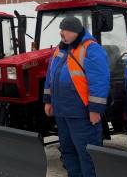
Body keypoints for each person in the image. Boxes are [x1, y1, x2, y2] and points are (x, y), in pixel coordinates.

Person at [43, 16, 109, 177]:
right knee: (68, 151)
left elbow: (99, 80)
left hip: (81, 113)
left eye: (64, 30)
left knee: (87, 153)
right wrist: (48, 101)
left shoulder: (91, 49)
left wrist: (95, 110)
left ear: (73, 31)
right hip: (62, 112)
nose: (60, 33)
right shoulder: (60, 50)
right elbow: (50, 77)